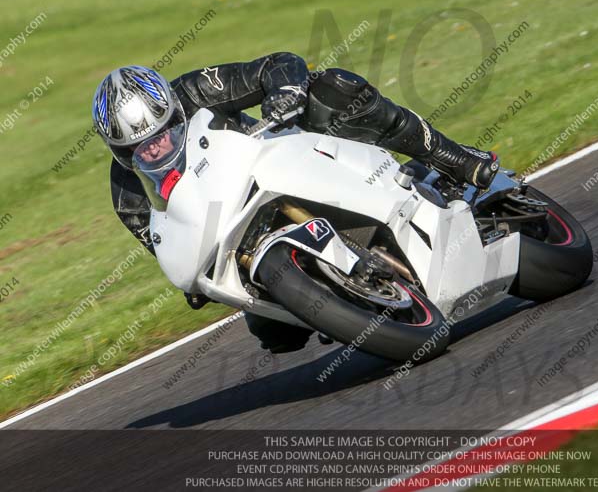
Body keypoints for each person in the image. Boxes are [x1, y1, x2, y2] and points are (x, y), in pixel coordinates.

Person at [92, 52, 499, 353]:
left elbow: (276, 65)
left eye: (161, 133)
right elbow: (160, 237)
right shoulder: (127, 193)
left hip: (279, 159)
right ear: (118, 149)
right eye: (138, 147)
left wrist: (284, 93)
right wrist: (194, 283)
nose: (154, 148)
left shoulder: (197, 88)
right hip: (239, 236)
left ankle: (453, 158)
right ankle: (342, 295)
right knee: (275, 337)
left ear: (173, 109)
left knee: (334, 89)